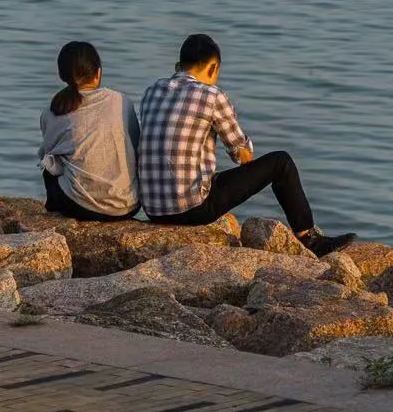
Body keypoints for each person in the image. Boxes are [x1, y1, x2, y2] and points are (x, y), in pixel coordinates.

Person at [138, 33, 354, 256]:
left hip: (153, 209)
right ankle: (310, 238)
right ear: (213, 68)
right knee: (281, 163)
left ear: (178, 66)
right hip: (191, 209)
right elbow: (242, 155)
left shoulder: (152, 92)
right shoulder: (211, 95)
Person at [38, 41, 141, 221]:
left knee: (50, 165)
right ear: (98, 73)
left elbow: (48, 155)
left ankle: (53, 211)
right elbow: (136, 144)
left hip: (82, 207)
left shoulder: (51, 111)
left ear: (62, 75)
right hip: (128, 205)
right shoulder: (121, 101)